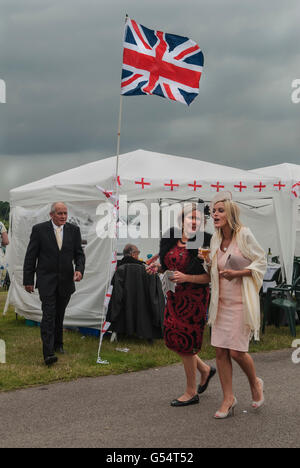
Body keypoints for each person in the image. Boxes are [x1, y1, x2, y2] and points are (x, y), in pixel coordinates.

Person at [201, 192, 267, 419]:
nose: (215, 214)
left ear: (231, 214)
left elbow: (261, 263)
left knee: (237, 352)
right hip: (220, 303)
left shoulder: (244, 235)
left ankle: (255, 383)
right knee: (220, 351)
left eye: (220, 210)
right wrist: (208, 262)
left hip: (240, 302)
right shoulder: (215, 239)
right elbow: (214, 271)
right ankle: (228, 398)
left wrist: (238, 273)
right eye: (214, 210)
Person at [149, 203, 216, 407]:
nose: (194, 222)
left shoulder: (206, 241)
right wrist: (158, 268)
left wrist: (187, 277)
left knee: (185, 342)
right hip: (174, 296)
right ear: (182, 220)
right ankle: (205, 369)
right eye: (190, 218)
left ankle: (191, 392)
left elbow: (210, 277)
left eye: (198, 219)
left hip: (194, 299)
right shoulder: (171, 238)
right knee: (173, 338)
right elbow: (170, 267)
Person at [23, 202, 85, 366]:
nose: (63, 216)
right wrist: (28, 280)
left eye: (65, 213)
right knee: (49, 314)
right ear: (51, 214)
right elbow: (31, 256)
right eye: (60, 213)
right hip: (46, 280)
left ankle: (58, 344)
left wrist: (79, 269)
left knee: (59, 314)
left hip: (66, 281)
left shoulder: (74, 230)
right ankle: (48, 353)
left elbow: (79, 254)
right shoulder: (39, 230)